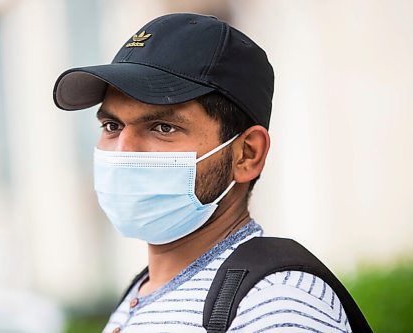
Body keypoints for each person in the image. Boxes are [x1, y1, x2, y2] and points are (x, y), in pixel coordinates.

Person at [54, 13, 355, 333]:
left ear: (247, 154)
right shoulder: (141, 294)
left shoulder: (276, 305)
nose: (122, 151)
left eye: (163, 127)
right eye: (112, 126)